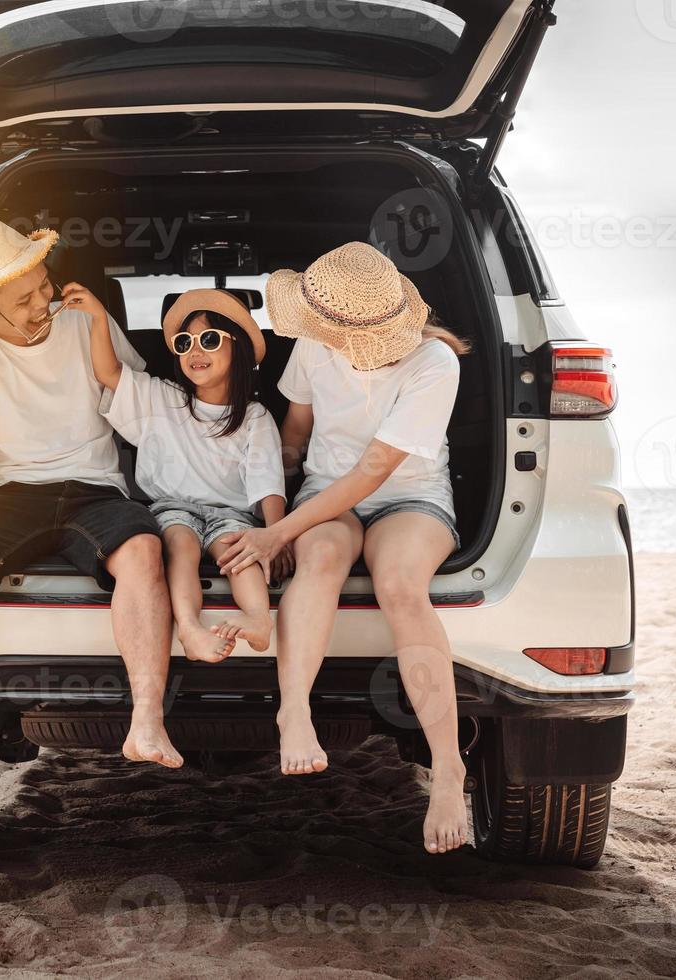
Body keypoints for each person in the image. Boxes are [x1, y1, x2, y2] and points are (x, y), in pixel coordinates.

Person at [0, 215, 183, 820]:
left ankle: (145, 722)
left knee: (144, 554)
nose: (44, 301)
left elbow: (138, 409)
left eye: (44, 285)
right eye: (23, 299)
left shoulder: (80, 323)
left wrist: (99, 324)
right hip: (11, 491)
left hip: (95, 488)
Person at [217, 241, 471, 854]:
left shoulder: (435, 362)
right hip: (328, 489)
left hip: (408, 495)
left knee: (401, 587)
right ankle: (294, 712)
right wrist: (270, 504)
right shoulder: (315, 343)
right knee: (323, 556)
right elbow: (296, 433)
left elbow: (377, 469)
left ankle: (448, 769)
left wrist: (278, 532)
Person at [67, 284, 287, 662]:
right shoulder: (162, 398)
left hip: (231, 515)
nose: (195, 351)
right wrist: (99, 317)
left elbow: (268, 483)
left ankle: (259, 620)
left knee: (240, 554)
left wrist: (274, 535)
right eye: (185, 343)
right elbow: (107, 371)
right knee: (180, 546)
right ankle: (189, 626)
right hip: (173, 508)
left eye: (209, 339)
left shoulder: (255, 417)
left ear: (240, 350)